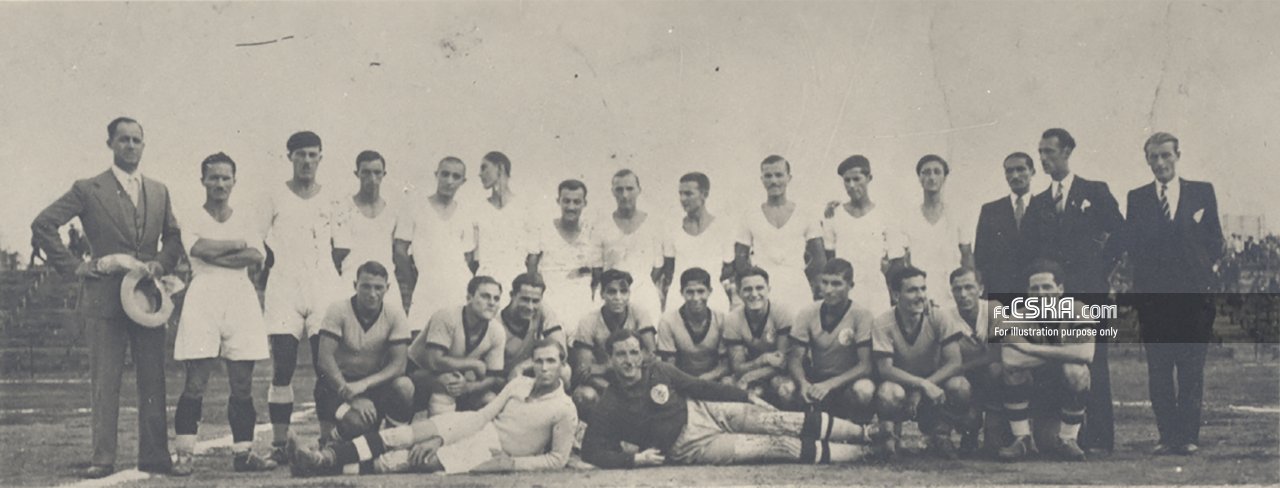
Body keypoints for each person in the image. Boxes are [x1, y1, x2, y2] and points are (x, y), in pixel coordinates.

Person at [32, 117, 182, 477]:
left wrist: (160, 265)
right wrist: (77, 266)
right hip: (104, 299)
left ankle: (155, 457)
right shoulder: (88, 188)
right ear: (110, 144)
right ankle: (102, 458)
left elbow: (174, 237)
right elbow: (43, 223)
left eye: (136, 140)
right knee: (105, 381)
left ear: (144, 145)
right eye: (123, 139)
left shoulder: (159, 190)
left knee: (153, 379)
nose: (130, 146)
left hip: (147, 299)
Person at [581, 329, 884, 468]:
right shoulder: (610, 402)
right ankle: (863, 455)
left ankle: (865, 433)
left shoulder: (658, 369)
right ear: (610, 359)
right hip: (689, 446)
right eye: (621, 354)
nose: (629, 360)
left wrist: (745, 396)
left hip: (704, 411)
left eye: (633, 352)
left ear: (642, 354)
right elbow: (592, 451)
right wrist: (634, 459)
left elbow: (701, 387)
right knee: (777, 446)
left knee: (780, 420)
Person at [289, 339, 577, 476]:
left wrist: (512, 464)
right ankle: (324, 456)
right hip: (474, 425)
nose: (544, 367)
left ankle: (319, 468)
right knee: (400, 436)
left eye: (551, 361)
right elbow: (483, 416)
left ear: (562, 364)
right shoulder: (519, 384)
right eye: (539, 361)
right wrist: (441, 436)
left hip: (495, 450)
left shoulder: (564, 408)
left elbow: (557, 459)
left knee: (411, 460)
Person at [170, 153, 276, 475]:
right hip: (203, 295)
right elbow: (197, 249)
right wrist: (237, 244)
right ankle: (184, 454)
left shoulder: (246, 216)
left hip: (240, 296)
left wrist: (218, 251)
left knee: (242, 383)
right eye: (213, 177)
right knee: (196, 381)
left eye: (225, 177)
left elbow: (256, 255)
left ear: (234, 181)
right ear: (203, 180)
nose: (219, 183)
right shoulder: (191, 215)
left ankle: (243, 454)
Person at [1121, 132, 1223, 456]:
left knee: (1191, 369)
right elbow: (1134, 248)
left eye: (1166, 155)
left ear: (1178, 155)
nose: (1160, 162)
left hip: (1194, 299)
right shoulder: (1137, 198)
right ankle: (1167, 436)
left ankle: (1188, 436)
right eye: (1154, 157)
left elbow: (1215, 241)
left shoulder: (1202, 192)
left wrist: (1200, 276)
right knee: (1160, 369)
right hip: (1155, 302)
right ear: (1147, 160)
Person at [1022, 128, 1122, 453]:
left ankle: (1100, 439)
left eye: (1049, 151)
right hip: (1052, 298)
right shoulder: (1038, 202)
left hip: (1091, 293)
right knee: (1059, 361)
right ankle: (1066, 435)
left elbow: (1120, 234)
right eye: (1040, 152)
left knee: (1096, 361)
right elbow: (1030, 249)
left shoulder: (1095, 191)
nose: (1043, 158)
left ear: (1066, 152)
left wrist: (1101, 269)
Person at [262, 130, 348, 462]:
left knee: (325, 366)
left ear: (320, 158)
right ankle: (279, 445)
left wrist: (320, 272)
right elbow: (259, 241)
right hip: (284, 287)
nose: (307, 161)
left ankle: (326, 441)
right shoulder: (274, 196)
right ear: (290, 158)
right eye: (301, 155)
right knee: (282, 366)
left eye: (313, 155)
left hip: (322, 285)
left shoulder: (333, 198)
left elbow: (341, 247)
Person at [997, 259, 1095, 462]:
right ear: (1028, 292)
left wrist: (1029, 349)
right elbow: (1010, 361)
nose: (1041, 293)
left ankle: (1068, 438)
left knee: (1076, 370)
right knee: (1012, 371)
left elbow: (1086, 354)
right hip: (1032, 390)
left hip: (1062, 391)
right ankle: (1022, 438)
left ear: (1060, 289)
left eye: (1047, 286)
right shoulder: (1018, 315)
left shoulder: (1078, 309)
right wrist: (1063, 353)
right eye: (1035, 288)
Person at [871, 266, 969, 459]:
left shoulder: (939, 316)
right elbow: (885, 369)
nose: (921, 296)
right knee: (888, 392)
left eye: (923, 289)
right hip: (901, 387)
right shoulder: (883, 322)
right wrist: (921, 384)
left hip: (934, 386)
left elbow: (954, 362)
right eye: (912, 290)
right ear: (896, 295)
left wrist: (926, 385)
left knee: (960, 386)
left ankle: (940, 435)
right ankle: (891, 437)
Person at [314, 261, 415, 445]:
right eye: (366, 286)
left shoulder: (395, 314)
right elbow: (324, 359)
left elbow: (399, 365)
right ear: (355, 285)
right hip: (337, 386)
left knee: (404, 386)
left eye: (378, 288)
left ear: (387, 288)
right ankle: (328, 443)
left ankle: (392, 443)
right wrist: (351, 395)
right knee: (357, 423)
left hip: (372, 385)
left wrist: (364, 385)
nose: (372, 294)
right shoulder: (338, 310)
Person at [395, 156, 478, 334]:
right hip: (426, 288)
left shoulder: (465, 212)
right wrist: (414, 282)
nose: (449, 181)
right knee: (420, 337)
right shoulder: (415, 206)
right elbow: (400, 249)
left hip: (458, 288)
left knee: (457, 335)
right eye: (445, 174)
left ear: (463, 181)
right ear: (436, 175)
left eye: (456, 176)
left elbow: (468, 256)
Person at [787, 259, 877, 424]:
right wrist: (803, 383)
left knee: (864, 389)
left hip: (847, 383)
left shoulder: (862, 315)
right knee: (787, 389)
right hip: (818, 381)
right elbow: (795, 358)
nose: (828, 290)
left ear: (850, 285)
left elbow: (865, 365)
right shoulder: (807, 313)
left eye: (836, 284)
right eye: (824, 283)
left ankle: (859, 430)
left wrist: (830, 384)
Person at [406, 276, 507, 416]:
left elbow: (493, 377)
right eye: (485, 296)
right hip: (417, 372)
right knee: (449, 383)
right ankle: (440, 427)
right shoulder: (447, 316)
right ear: (469, 298)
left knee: (490, 400)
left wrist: (468, 387)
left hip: (457, 376)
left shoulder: (497, 330)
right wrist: (474, 364)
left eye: (496, 299)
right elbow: (433, 361)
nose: (491, 303)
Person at [735, 155, 826, 308]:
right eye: (768, 176)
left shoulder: (805, 213)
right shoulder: (750, 215)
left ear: (788, 178)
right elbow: (740, 259)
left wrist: (799, 276)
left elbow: (819, 259)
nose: (773, 181)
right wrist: (754, 283)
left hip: (796, 288)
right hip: (761, 289)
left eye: (778, 175)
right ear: (762, 179)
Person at [822, 155, 902, 314]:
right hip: (845, 292)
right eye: (847, 180)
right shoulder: (834, 214)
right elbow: (829, 257)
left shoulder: (885, 214)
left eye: (857, 179)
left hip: (876, 292)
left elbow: (897, 259)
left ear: (869, 178)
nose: (852, 185)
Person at [570, 269, 658, 413]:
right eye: (612, 292)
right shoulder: (588, 321)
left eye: (623, 291)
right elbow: (583, 371)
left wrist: (607, 366)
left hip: (635, 379)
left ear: (629, 293)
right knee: (584, 395)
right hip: (604, 383)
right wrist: (613, 390)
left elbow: (652, 356)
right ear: (602, 294)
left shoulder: (639, 313)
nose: (618, 297)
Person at [332, 150, 404, 313]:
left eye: (377, 172)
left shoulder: (394, 210)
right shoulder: (343, 207)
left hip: (386, 283)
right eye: (366, 172)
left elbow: (398, 250)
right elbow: (339, 252)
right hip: (351, 282)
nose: (372, 178)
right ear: (357, 173)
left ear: (384, 174)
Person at [899, 154, 974, 304]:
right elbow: (904, 261)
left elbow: (967, 256)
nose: (932, 177)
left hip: (951, 292)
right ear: (919, 178)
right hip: (920, 293)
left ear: (944, 177)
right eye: (926, 172)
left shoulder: (957, 214)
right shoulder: (908, 217)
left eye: (937, 172)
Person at [945, 267, 1004, 456]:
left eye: (969, 287)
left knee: (996, 369)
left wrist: (960, 365)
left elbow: (996, 355)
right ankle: (967, 430)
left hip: (993, 380)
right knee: (959, 389)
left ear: (980, 289)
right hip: (967, 379)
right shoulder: (946, 318)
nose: (963, 294)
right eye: (957, 289)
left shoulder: (993, 309)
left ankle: (998, 427)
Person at [526, 179, 601, 328]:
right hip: (550, 297)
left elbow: (597, 271)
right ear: (558, 201)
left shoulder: (591, 232)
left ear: (584, 203)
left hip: (581, 299)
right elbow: (531, 266)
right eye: (566, 201)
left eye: (576, 202)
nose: (571, 207)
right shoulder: (544, 229)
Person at [598, 169, 669, 320]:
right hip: (612, 295)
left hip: (644, 293)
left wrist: (641, 285)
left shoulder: (653, 224)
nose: (625, 195)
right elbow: (597, 266)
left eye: (630, 189)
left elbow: (658, 266)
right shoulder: (602, 225)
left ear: (639, 190)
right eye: (619, 189)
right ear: (612, 192)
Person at [723, 266, 797, 407]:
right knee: (727, 385)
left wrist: (750, 376)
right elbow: (737, 367)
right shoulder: (733, 319)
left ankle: (793, 418)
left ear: (768, 289)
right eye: (747, 289)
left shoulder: (782, 312)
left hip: (781, 374)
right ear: (738, 292)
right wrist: (762, 359)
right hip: (754, 369)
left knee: (786, 389)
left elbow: (782, 363)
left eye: (759, 288)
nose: (754, 294)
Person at [667, 172, 735, 311]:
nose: (682, 199)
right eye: (680, 194)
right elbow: (669, 267)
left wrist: (711, 279)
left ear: (704, 194)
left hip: (713, 297)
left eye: (688, 194)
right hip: (678, 297)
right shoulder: (672, 228)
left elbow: (729, 266)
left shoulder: (723, 228)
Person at [974, 152, 1037, 297]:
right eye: (1009, 171)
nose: (1015, 175)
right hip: (1000, 291)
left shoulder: (1044, 207)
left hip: (1035, 292)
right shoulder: (990, 210)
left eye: (1020, 169)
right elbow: (980, 257)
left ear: (1032, 172)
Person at [656, 268, 729, 381]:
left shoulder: (721, 319)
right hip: (681, 380)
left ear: (709, 291)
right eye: (690, 292)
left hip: (713, 380)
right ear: (682, 292)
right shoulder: (668, 321)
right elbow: (669, 366)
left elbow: (725, 364)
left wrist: (704, 379)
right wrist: (689, 383)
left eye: (701, 291)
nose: (695, 298)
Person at [498, 272, 571, 383]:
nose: (530, 307)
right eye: (525, 299)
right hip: (504, 378)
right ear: (512, 295)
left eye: (535, 301)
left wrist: (523, 366)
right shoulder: (496, 323)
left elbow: (561, 352)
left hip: (531, 369)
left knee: (564, 370)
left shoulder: (542, 310)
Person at [475, 151, 532, 291]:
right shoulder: (478, 209)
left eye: (484, 168)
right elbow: (472, 257)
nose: (479, 174)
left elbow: (533, 256)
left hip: (516, 283)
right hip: (485, 283)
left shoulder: (524, 208)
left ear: (500, 168)